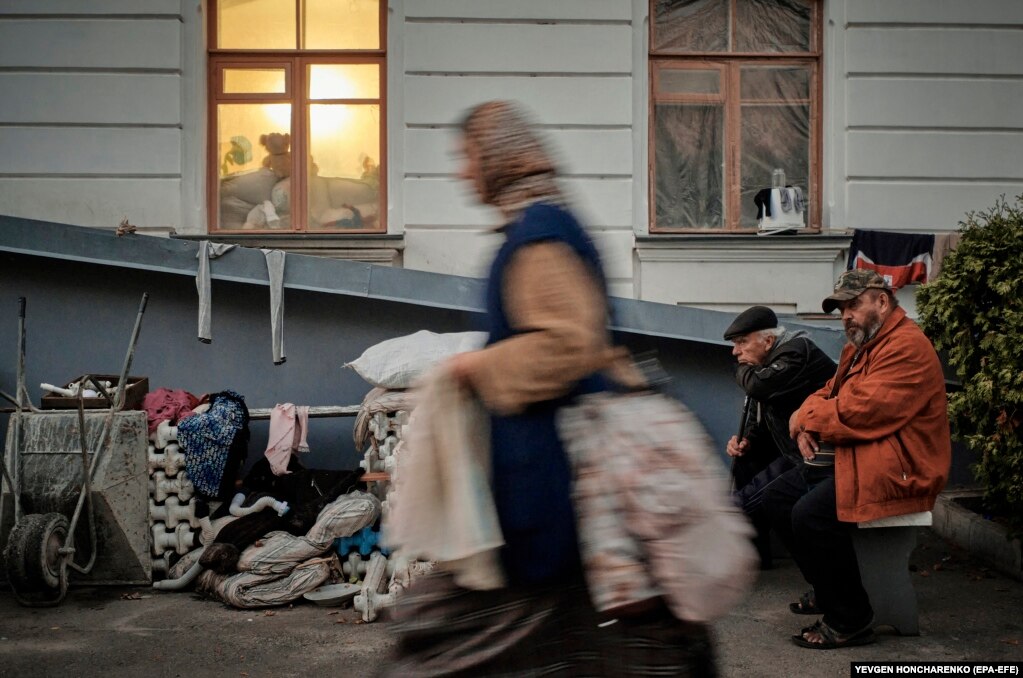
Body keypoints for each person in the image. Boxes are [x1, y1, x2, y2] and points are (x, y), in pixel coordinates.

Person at [381, 100, 716, 676]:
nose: (463, 172)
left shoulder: (539, 232)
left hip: (547, 491)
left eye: (468, 156)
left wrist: (472, 369)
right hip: (551, 490)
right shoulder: (540, 224)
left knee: (437, 645)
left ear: (498, 156)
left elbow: (567, 345)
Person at [766, 270, 951, 650]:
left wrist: (805, 419)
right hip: (867, 455)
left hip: (902, 468)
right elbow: (827, 392)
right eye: (841, 309)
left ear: (881, 302)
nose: (846, 315)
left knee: (810, 515)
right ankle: (826, 588)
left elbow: (861, 411)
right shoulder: (861, 345)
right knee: (777, 498)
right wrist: (804, 420)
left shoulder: (906, 347)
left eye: (853, 305)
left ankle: (850, 619)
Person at [723, 305, 836, 569]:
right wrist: (746, 440)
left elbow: (759, 386)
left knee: (754, 498)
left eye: (742, 343)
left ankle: (819, 573)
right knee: (745, 460)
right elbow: (761, 412)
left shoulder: (797, 351)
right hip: (792, 449)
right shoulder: (767, 361)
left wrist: (743, 371)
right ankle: (757, 556)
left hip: (817, 456)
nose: (735, 351)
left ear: (769, 341)